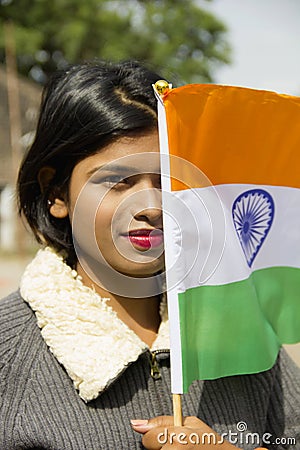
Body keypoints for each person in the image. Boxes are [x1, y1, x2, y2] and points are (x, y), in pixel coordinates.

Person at [0, 60, 299, 450]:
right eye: (118, 181)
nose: (152, 206)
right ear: (57, 193)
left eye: (167, 180)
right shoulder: (9, 356)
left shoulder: (243, 328)